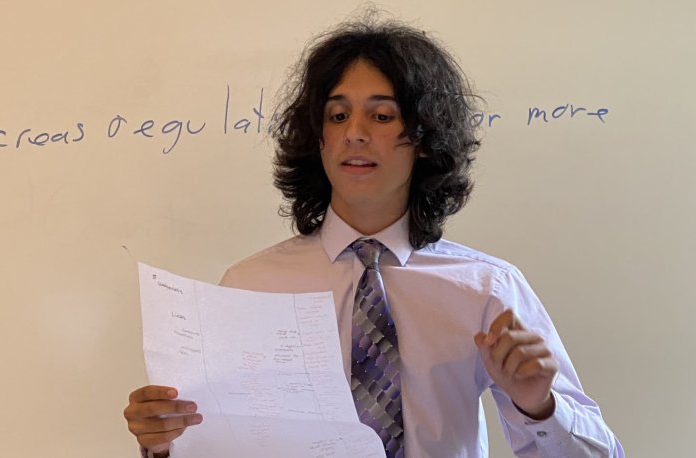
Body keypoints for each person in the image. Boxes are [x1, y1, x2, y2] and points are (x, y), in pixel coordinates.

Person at [124, 16, 624, 458]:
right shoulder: (251, 285)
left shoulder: (486, 287)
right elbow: (214, 446)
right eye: (337, 116)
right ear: (316, 138)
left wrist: (538, 405)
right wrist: (163, 444)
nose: (354, 133)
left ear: (425, 140)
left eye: (381, 116)